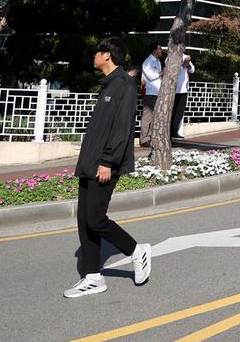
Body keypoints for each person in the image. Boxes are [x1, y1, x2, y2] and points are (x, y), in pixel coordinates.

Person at [65, 37, 151, 299]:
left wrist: (108, 162)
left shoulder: (124, 85)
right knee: (85, 220)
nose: (94, 56)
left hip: (104, 164)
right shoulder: (109, 85)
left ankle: (137, 250)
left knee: (96, 218)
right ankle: (93, 277)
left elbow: (122, 128)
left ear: (108, 56)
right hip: (90, 163)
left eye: (97, 52)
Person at [139, 43, 163, 146]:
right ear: (154, 50)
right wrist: (161, 73)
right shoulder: (147, 61)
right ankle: (144, 139)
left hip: (157, 92)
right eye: (159, 48)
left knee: (154, 117)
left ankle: (150, 137)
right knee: (147, 116)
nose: (161, 50)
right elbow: (150, 76)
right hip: (150, 92)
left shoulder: (158, 61)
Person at [169, 54, 195, 141]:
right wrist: (182, 63)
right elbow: (169, 68)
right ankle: (168, 132)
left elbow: (192, 70)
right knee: (172, 111)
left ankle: (174, 131)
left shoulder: (186, 57)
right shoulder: (170, 56)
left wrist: (187, 64)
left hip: (183, 90)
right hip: (173, 89)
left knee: (179, 112)